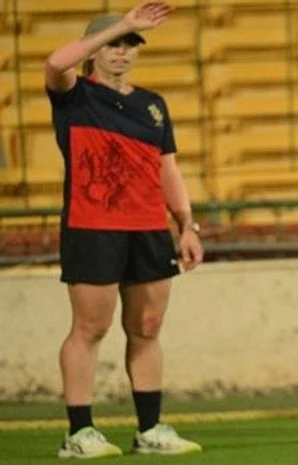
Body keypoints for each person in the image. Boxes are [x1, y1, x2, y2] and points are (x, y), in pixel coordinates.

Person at [45, 1, 204, 458]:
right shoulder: (74, 95)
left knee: (147, 327)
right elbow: (55, 63)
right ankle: (79, 432)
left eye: (130, 44)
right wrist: (123, 22)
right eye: (114, 43)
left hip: (149, 227)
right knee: (90, 328)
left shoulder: (152, 105)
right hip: (92, 226)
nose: (121, 51)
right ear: (94, 49)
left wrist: (186, 224)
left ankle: (150, 428)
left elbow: (167, 169)